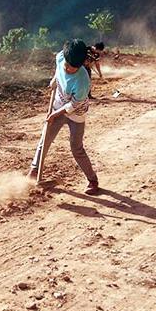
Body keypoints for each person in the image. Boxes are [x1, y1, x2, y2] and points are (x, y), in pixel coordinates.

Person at [27, 39, 99, 195]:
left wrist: (55, 113)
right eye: (67, 65)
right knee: (45, 139)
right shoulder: (61, 57)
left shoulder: (83, 81)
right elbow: (58, 69)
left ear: (81, 65)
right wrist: (54, 80)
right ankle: (34, 172)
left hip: (76, 113)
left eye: (73, 68)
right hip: (58, 105)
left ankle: (92, 180)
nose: (68, 69)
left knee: (76, 148)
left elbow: (73, 106)